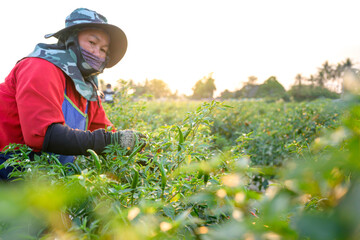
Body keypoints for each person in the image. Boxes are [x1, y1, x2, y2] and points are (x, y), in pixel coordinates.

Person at [0, 8, 146, 179]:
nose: (96, 53)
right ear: (71, 39)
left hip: (49, 178)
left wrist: (141, 157)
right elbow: (43, 135)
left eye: (103, 50)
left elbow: (105, 131)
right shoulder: (41, 67)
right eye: (92, 42)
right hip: (10, 172)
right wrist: (111, 141)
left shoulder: (86, 89)